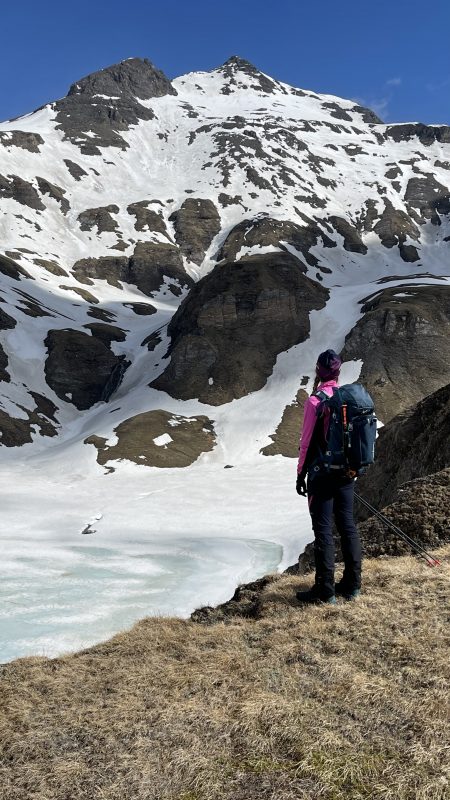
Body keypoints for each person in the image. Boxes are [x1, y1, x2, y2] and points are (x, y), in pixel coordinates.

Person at [295, 349, 362, 604]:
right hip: (346, 474)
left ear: (318, 371)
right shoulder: (347, 399)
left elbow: (307, 441)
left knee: (323, 531)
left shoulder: (316, 401)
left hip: (322, 475)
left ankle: (325, 591)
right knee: (347, 526)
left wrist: (301, 474)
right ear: (338, 371)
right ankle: (352, 586)